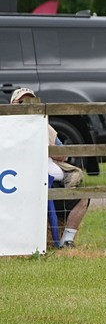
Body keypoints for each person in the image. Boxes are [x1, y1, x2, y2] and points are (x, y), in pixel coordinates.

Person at [10, 88, 89, 248]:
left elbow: (63, 156)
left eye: (30, 102)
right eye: (21, 102)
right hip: (18, 187)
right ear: (12, 104)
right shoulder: (6, 127)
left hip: (51, 186)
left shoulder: (45, 128)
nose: (26, 105)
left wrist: (47, 144)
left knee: (83, 196)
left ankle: (66, 241)